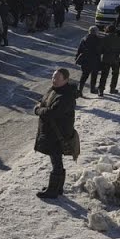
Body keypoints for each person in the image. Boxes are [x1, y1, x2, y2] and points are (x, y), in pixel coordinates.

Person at [33, 68, 77, 199]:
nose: (54, 80)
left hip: (58, 133)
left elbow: (53, 112)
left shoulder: (66, 95)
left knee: (56, 160)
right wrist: (41, 105)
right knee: (56, 159)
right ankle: (57, 188)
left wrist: (38, 110)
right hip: (53, 132)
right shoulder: (54, 90)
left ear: (66, 80)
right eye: (53, 77)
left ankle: (53, 190)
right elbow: (44, 101)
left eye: (57, 78)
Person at [97, 24, 120, 96]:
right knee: (115, 74)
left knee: (104, 75)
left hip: (106, 59)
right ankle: (112, 89)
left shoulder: (104, 39)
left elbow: (100, 50)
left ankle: (101, 90)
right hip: (115, 59)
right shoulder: (118, 39)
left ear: (107, 30)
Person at [75, 26, 102, 97]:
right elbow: (101, 50)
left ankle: (80, 90)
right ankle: (92, 89)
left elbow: (79, 49)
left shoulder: (84, 39)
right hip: (95, 60)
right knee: (94, 75)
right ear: (96, 32)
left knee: (84, 76)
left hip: (85, 60)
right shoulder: (99, 40)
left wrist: (77, 57)